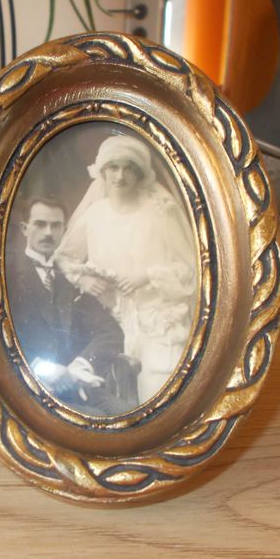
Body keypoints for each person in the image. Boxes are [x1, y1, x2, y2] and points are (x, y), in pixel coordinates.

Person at [55, 133, 197, 404]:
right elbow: (64, 258)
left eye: (128, 168)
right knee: (112, 397)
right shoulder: (95, 214)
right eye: (113, 167)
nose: (120, 176)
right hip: (109, 323)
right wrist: (84, 280)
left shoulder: (158, 213)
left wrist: (147, 276)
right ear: (103, 172)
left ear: (140, 173)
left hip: (156, 321)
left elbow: (189, 268)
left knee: (158, 391)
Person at [6, 197, 138, 415]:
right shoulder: (6, 274)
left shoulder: (68, 280)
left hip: (76, 386)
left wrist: (81, 365)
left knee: (129, 415)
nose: (48, 232)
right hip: (27, 389)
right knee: (99, 422)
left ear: (64, 231)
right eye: (40, 224)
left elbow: (111, 331)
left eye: (55, 226)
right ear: (24, 228)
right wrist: (48, 371)